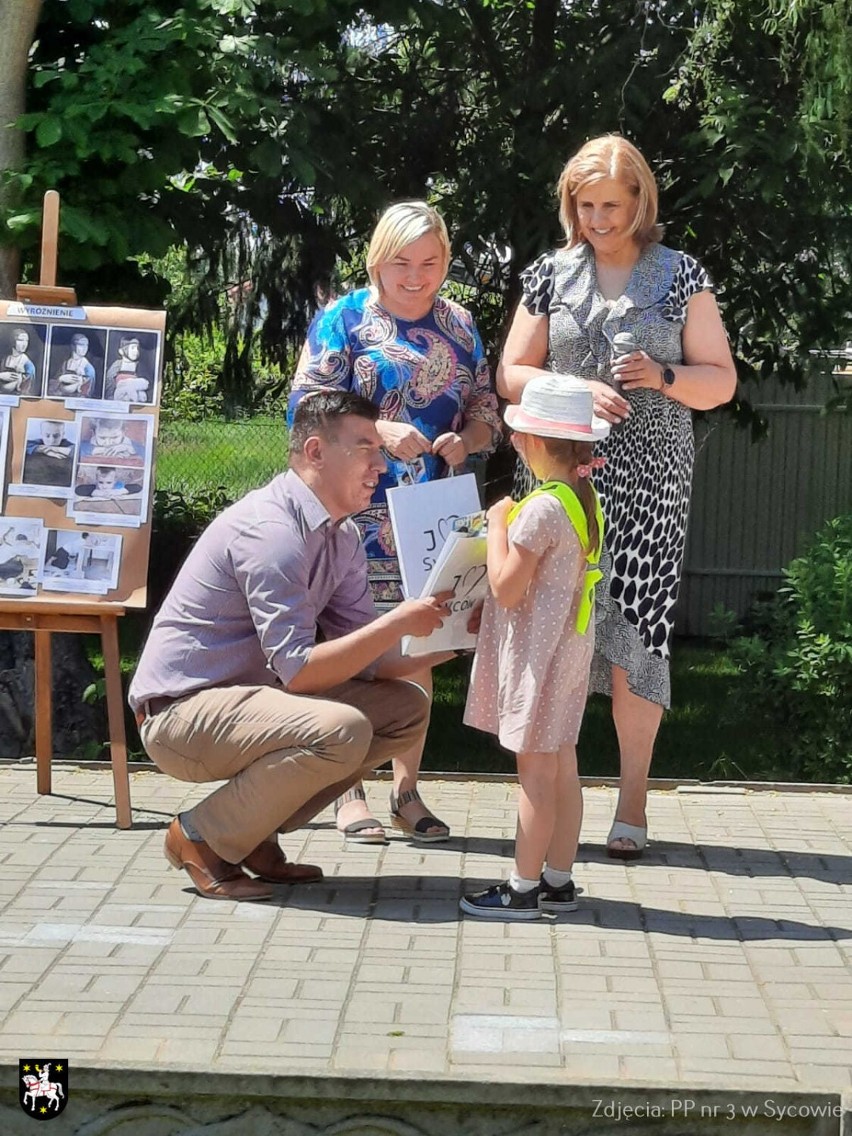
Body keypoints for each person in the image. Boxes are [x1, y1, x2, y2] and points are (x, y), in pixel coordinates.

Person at [499, 135, 736, 860]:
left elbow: (720, 381)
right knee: (553, 631)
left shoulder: (680, 273)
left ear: (640, 202)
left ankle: (632, 797)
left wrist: (663, 375)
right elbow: (510, 372)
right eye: (584, 204)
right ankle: (551, 796)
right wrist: (569, 389)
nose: (597, 217)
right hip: (561, 484)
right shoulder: (550, 274)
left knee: (640, 635)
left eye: (610, 204)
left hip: (650, 485)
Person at [128, 390, 456, 902]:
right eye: (365, 448)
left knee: (404, 710)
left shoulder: (341, 537)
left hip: (250, 706)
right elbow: (300, 672)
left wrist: (459, 636)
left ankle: (253, 836)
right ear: (315, 452)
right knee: (340, 729)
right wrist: (398, 621)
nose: (380, 464)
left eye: (379, 449)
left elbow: (369, 660)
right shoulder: (272, 532)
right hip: (179, 717)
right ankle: (201, 837)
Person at [288, 200, 500, 845]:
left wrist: (469, 439)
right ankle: (345, 790)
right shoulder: (344, 320)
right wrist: (377, 430)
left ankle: (407, 792)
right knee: (351, 641)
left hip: (431, 514)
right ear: (378, 259)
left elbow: (487, 405)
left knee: (422, 644)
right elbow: (307, 406)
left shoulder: (460, 326)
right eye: (403, 262)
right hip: (355, 509)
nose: (416, 276)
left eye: (431, 263)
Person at [460, 376, 607, 919]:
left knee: (536, 777)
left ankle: (522, 889)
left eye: (520, 435)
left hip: (538, 659)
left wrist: (498, 523)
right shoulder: (581, 499)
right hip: (566, 655)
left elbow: (505, 585)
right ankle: (558, 880)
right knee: (562, 767)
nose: (515, 440)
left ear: (537, 443)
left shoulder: (541, 510)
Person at [22, 420, 75, 487]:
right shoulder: (36, 442)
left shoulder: (67, 444)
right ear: (41, 434)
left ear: (63, 435)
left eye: (56, 436)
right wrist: (43, 450)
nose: (51, 440)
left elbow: (76, 450)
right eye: (47, 436)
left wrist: (54, 449)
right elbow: (22, 445)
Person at [105, 336, 150, 402]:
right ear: (122, 351)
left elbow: (146, 384)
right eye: (133, 348)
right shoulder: (117, 365)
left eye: (137, 348)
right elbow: (109, 382)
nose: (136, 351)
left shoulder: (139, 366)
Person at [52, 332, 96, 396]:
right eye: (81, 345)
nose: (85, 348)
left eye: (86, 345)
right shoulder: (65, 364)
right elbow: (52, 388)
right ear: (73, 346)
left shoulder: (88, 369)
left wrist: (80, 382)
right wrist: (60, 379)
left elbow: (87, 393)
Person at [80, 418, 144, 462]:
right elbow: (77, 450)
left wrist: (131, 449)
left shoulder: (133, 446)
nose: (108, 443)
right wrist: (94, 450)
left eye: (114, 437)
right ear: (94, 433)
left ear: (124, 432)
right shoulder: (84, 445)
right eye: (102, 438)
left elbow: (146, 453)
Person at [0, 328, 37, 393]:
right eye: (20, 340)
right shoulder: (4, 359)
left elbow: (24, 387)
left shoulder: (28, 365)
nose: (24, 344)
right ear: (13, 341)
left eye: (26, 341)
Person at [75, 466, 142, 498]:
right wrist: (97, 492)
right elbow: (78, 490)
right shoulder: (95, 487)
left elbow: (137, 487)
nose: (104, 486)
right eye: (100, 482)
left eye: (109, 483)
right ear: (96, 480)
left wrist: (118, 492)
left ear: (115, 481)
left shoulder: (118, 486)